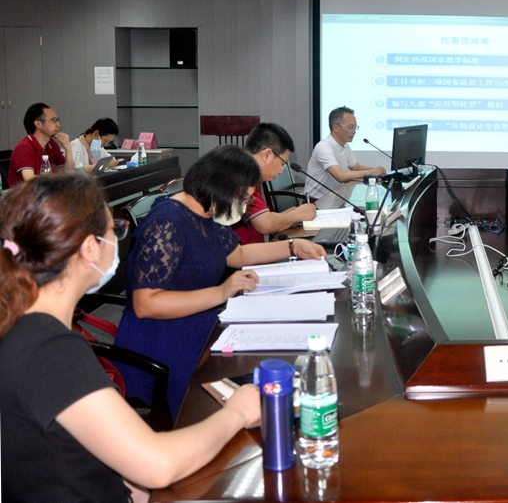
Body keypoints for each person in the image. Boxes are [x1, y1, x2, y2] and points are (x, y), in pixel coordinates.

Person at [0, 173, 260, 503]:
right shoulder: (50, 350)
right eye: (116, 229)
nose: (119, 238)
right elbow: (157, 465)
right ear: (90, 248)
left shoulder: (23, 326)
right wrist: (237, 412)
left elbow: (82, 450)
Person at [114, 145, 327, 419]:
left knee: (265, 362)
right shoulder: (167, 222)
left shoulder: (204, 213)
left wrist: (292, 246)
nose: (244, 206)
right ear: (222, 187)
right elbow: (146, 304)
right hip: (161, 339)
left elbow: (238, 255)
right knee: (240, 383)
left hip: (200, 321)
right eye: (243, 197)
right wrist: (222, 291)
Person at [233, 122, 318, 245]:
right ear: (267, 155)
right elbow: (265, 224)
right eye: (282, 164)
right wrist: (298, 215)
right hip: (244, 254)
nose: (280, 171)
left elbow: (257, 219)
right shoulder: (243, 175)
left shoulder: (247, 170)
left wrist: (289, 215)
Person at [304, 106, 387, 200]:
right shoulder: (323, 147)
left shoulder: (345, 146)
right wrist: (372, 172)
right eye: (350, 127)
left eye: (355, 127)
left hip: (335, 198)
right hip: (316, 202)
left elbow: (357, 168)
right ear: (336, 127)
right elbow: (340, 176)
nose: (354, 131)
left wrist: (376, 169)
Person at [8, 102, 75, 186]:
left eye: (57, 120)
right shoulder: (24, 147)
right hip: (26, 193)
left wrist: (68, 148)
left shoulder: (51, 144)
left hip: (46, 191)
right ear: (38, 124)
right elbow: (30, 181)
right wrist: (55, 177)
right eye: (54, 120)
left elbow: (68, 172)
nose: (58, 125)